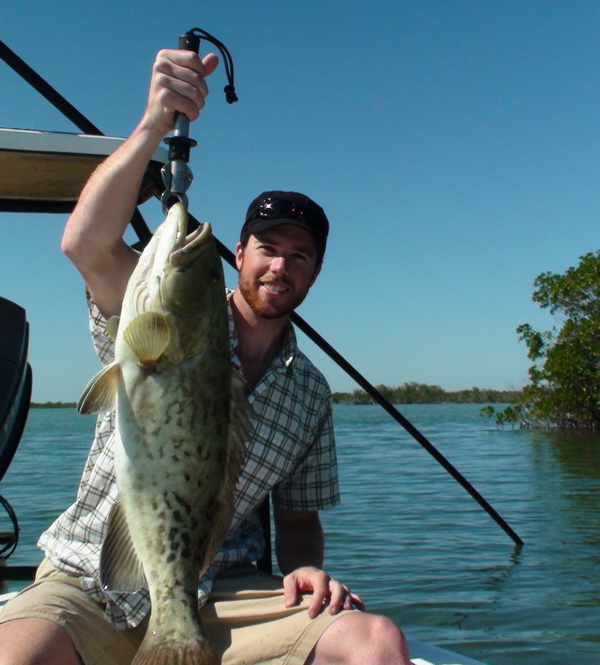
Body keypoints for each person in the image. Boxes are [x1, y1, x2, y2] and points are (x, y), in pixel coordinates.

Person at [0, 47, 410, 665]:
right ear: (239, 254)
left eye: (299, 256)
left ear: (315, 273)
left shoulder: (309, 394)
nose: (280, 266)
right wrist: (153, 123)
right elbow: (86, 244)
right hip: (88, 576)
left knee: (376, 644)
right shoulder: (152, 325)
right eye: (267, 248)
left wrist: (305, 568)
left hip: (223, 587)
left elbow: (298, 521)